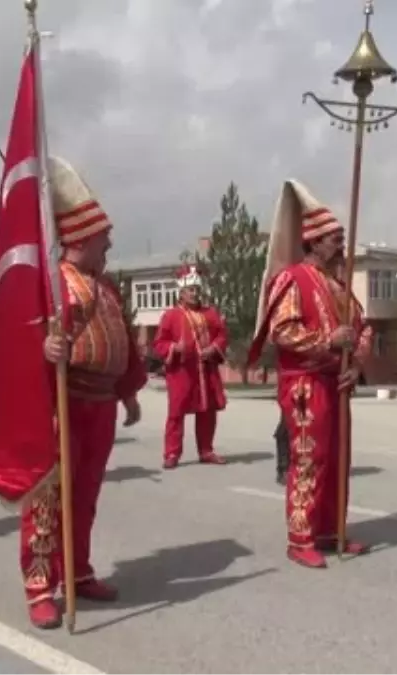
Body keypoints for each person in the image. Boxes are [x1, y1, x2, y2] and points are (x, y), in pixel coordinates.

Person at [30, 157, 147, 629]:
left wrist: (129, 393)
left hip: (100, 405)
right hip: (61, 402)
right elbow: (7, 339)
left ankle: (77, 573)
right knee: (48, 498)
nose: (110, 246)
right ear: (80, 240)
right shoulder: (49, 284)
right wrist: (43, 346)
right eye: (104, 239)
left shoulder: (106, 289)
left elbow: (122, 341)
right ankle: (40, 584)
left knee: (86, 497)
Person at [246, 179, 375, 569]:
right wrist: (329, 340)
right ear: (313, 241)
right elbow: (282, 331)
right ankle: (300, 536)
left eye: (341, 237)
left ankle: (332, 530)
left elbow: (363, 328)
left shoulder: (340, 285)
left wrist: (355, 363)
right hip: (305, 383)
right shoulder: (293, 279)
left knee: (338, 459)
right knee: (309, 457)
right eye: (335, 238)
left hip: (338, 382)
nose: (341, 244)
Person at [152, 265, 228, 469]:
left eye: (197, 289)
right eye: (190, 290)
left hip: (206, 370)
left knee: (208, 411)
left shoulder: (210, 313)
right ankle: (172, 453)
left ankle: (206, 450)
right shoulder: (171, 316)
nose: (195, 293)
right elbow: (159, 343)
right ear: (181, 292)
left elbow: (222, 335)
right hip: (182, 372)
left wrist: (213, 348)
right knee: (176, 412)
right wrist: (174, 348)